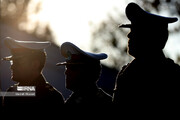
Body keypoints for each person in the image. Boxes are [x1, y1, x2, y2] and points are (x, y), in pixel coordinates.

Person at [113, 2, 180, 108]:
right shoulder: (126, 72)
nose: (129, 35)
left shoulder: (173, 75)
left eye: (137, 31)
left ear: (152, 38)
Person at [2, 37, 64, 110]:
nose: (12, 67)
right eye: (12, 62)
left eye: (17, 62)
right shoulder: (12, 92)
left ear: (35, 65)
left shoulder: (52, 98)